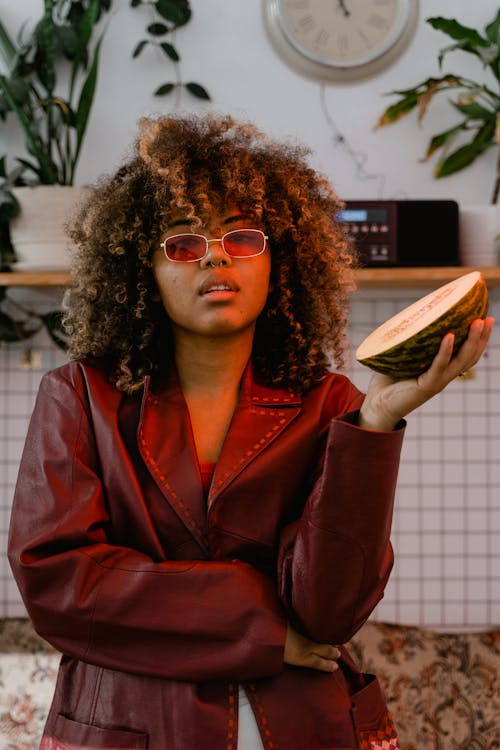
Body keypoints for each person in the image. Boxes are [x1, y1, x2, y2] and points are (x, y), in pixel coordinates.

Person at [8, 114, 493, 750]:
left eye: (242, 237)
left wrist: (374, 424)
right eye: (182, 242)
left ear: (278, 263)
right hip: (129, 727)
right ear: (143, 274)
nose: (215, 253)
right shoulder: (77, 397)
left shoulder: (334, 407)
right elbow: (60, 583)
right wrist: (265, 626)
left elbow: (331, 612)